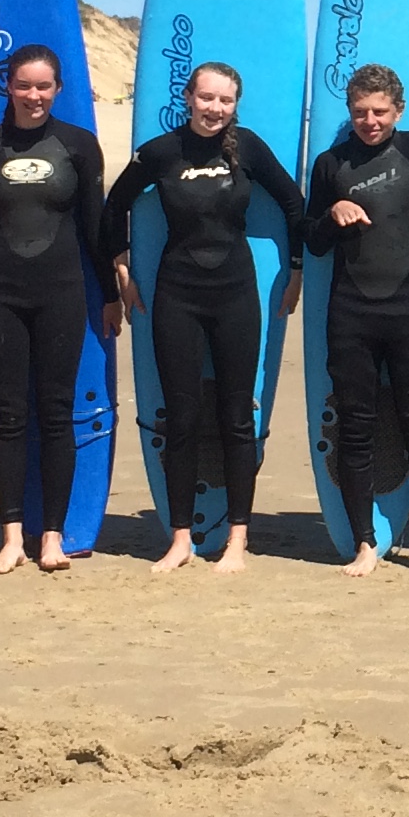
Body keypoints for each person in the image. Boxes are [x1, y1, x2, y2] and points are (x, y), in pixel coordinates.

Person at [100, 62, 303, 575]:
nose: (215, 109)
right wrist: (122, 269)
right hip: (177, 296)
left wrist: (296, 268)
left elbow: (293, 203)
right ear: (189, 97)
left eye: (226, 101)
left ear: (236, 106)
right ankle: (180, 539)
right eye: (207, 98)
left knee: (238, 417)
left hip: (236, 295)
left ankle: (238, 538)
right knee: (182, 418)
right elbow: (113, 207)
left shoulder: (248, 147)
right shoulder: (161, 152)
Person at [0, 45, 115, 574]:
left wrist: (108, 293)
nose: (34, 96)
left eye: (44, 87)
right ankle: (12, 537)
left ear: (58, 89)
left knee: (56, 414)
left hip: (62, 294)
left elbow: (94, 228)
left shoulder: (79, 146)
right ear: (8, 88)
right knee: (9, 417)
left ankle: (54, 538)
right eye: (24, 86)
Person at [303, 63, 409, 575]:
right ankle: (364, 544)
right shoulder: (330, 164)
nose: (370, 121)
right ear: (349, 112)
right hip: (351, 314)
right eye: (360, 112)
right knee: (354, 428)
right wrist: (332, 216)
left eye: (380, 112)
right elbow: (310, 240)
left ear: (398, 110)